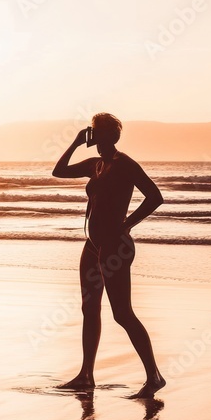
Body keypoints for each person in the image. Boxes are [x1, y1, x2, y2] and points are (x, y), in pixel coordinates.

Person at [51, 112, 166, 399]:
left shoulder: (124, 164)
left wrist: (127, 224)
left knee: (122, 314)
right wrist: (76, 143)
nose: (90, 134)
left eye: (92, 130)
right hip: (92, 245)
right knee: (89, 309)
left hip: (115, 246)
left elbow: (155, 196)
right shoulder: (96, 165)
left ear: (104, 135)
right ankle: (86, 375)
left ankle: (154, 376)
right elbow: (59, 171)